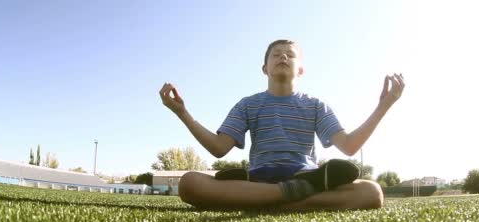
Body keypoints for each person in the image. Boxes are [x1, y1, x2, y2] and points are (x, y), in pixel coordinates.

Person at [159, 39, 404, 210]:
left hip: (305, 176)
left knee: (372, 192)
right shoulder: (248, 104)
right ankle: (288, 197)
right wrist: (183, 113)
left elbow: (349, 147)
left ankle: (266, 200)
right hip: (258, 180)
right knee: (189, 183)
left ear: (301, 70)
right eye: (276, 54)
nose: (283, 57)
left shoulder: (316, 105)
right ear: (265, 68)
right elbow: (219, 148)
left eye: (290, 54)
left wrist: (384, 106)